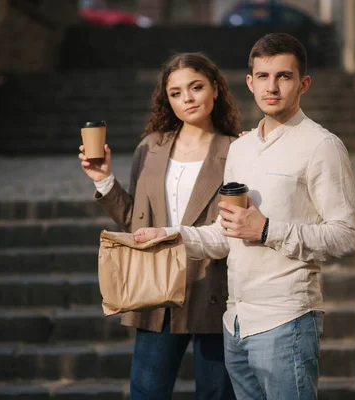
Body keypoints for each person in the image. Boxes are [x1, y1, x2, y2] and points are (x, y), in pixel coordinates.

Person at [134, 33, 355, 400]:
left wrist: (268, 229)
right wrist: (172, 235)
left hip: (286, 321)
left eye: (284, 76)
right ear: (250, 82)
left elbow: (347, 237)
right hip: (235, 323)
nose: (272, 87)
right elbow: (228, 235)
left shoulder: (322, 146)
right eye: (264, 76)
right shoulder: (240, 148)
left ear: (303, 83)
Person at [78, 52, 240, 399]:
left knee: (217, 395)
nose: (188, 99)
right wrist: (104, 180)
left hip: (215, 288)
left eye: (196, 87)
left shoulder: (238, 150)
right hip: (157, 289)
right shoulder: (151, 147)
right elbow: (137, 220)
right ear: (167, 99)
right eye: (176, 92)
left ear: (215, 88)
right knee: (147, 393)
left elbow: (234, 227)